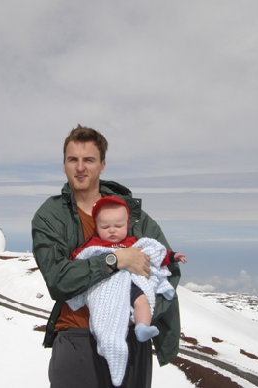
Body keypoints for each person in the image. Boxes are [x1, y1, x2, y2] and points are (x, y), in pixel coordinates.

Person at [31, 125, 183, 388]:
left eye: (88, 160)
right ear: (64, 165)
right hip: (77, 337)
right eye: (73, 160)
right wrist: (116, 260)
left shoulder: (132, 216)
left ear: (102, 165)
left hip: (131, 340)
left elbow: (167, 270)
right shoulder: (51, 215)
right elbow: (58, 280)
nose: (80, 168)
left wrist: (141, 312)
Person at [66, 195, 187, 386]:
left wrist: (172, 256)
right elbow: (80, 259)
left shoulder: (134, 242)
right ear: (97, 227)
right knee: (106, 316)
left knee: (142, 302)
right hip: (107, 286)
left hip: (132, 283)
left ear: (127, 224)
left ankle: (142, 327)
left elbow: (155, 253)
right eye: (105, 227)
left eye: (118, 226)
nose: (112, 231)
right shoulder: (94, 244)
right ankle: (112, 348)